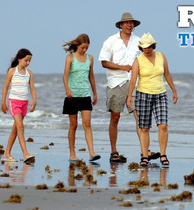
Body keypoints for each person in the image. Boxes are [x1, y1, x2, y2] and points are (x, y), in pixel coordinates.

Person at [99, 12, 159, 162]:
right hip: (116, 83)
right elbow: (104, 62)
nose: (129, 25)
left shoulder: (139, 41)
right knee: (115, 117)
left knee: (140, 118)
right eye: (126, 23)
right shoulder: (110, 41)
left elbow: (148, 57)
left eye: (131, 23)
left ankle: (145, 152)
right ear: (121, 25)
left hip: (137, 83)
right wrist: (122, 67)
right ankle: (114, 152)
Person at [127, 33, 178, 167]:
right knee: (144, 128)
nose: (147, 49)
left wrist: (174, 90)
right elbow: (133, 80)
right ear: (141, 47)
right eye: (144, 47)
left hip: (160, 94)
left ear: (153, 46)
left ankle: (163, 155)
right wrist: (129, 96)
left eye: (149, 47)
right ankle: (144, 156)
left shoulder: (161, 56)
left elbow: (167, 74)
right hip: (143, 95)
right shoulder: (138, 60)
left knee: (163, 125)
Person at [62, 33, 100, 163]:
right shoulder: (70, 58)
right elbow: (65, 75)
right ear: (77, 45)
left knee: (87, 124)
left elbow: (91, 77)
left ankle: (91, 152)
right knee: (73, 124)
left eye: (87, 48)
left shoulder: (90, 58)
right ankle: (72, 153)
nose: (85, 50)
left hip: (85, 95)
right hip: (72, 96)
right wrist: (67, 88)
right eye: (83, 47)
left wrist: (95, 93)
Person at [1, 48, 36, 163]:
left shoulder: (29, 73)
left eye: (30, 61)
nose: (28, 63)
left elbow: (32, 88)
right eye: (26, 60)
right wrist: (3, 103)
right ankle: (25, 153)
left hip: (24, 103)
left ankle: (7, 152)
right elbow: (6, 87)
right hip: (14, 102)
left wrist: (34, 101)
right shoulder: (12, 71)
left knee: (16, 129)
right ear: (19, 59)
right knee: (20, 126)